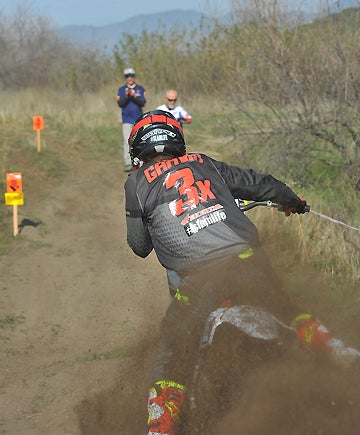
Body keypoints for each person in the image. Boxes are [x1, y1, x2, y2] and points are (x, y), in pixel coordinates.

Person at [124, 110, 359, 435]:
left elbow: (138, 245)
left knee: (173, 350)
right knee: (288, 311)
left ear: (137, 152)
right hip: (248, 262)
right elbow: (259, 184)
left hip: (197, 281)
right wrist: (292, 201)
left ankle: (161, 429)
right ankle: (338, 350)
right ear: (178, 141)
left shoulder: (136, 183)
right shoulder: (203, 162)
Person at [116, 67, 147, 172]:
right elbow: (120, 104)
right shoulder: (121, 90)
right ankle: (128, 163)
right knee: (127, 141)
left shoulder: (140, 89)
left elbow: (142, 102)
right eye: (127, 76)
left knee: (140, 141)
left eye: (132, 76)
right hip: (126, 120)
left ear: (134, 77)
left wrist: (134, 96)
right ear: (125, 78)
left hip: (139, 120)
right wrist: (127, 96)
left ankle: (142, 162)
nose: (130, 78)